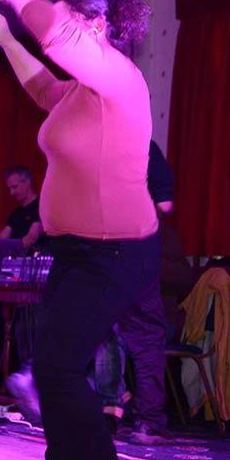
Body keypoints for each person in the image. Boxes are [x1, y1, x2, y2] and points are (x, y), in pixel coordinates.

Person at [0, 0, 157, 460]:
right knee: (53, 367)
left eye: (65, 17)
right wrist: (7, 39)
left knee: (57, 366)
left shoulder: (119, 77)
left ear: (97, 25)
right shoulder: (81, 90)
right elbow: (42, 89)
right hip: (76, 252)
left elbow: (55, 34)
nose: (51, 29)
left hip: (117, 252)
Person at [92, 139, 182, 444]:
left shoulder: (96, 144)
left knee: (105, 332)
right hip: (135, 247)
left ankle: (108, 413)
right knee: (145, 337)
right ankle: (149, 421)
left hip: (100, 249)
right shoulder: (142, 146)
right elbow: (165, 205)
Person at [0, 166, 43, 263]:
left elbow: (31, 238)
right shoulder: (16, 213)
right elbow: (2, 238)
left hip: (32, 263)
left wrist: (4, 254)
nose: (11, 193)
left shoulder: (41, 207)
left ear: (27, 182)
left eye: (14, 187)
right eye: (9, 188)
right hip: (16, 261)